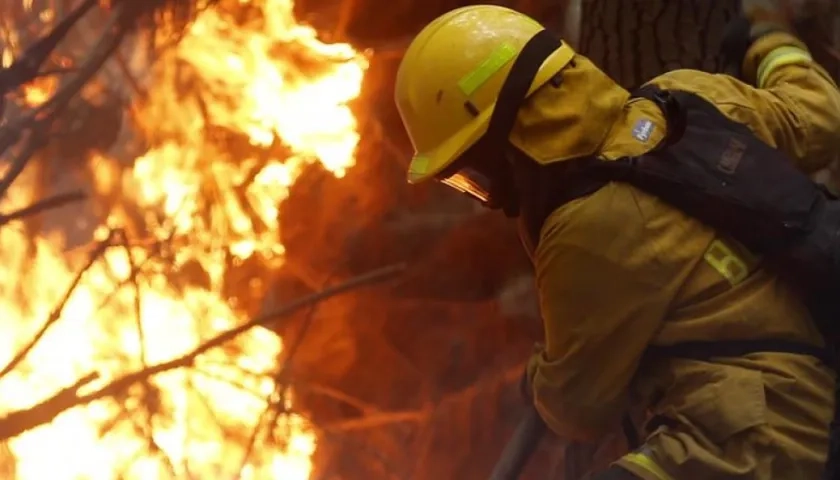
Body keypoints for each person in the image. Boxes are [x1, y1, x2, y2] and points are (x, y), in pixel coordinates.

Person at [394, 2, 840, 480]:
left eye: (474, 175)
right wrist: (770, 41)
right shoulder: (687, 96)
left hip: (764, 436)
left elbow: (576, 408)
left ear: (509, 138)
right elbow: (821, 115)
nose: (488, 197)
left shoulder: (583, 228)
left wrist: (534, 381)